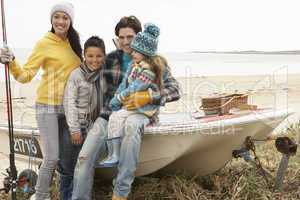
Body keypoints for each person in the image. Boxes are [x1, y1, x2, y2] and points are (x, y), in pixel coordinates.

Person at [72, 16, 180, 200]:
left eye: (130, 37)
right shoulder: (110, 59)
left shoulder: (155, 61)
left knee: (131, 127)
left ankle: (120, 193)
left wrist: (148, 96)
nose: (125, 42)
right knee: (83, 159)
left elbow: (175, 89)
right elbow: (85, 77)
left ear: (139, 37)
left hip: (140, 113)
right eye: (121, 37)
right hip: (108, 115)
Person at [0, 2, 82, 199]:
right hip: (47, 107)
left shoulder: (74, 43)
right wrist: (11, 61)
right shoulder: (44, 42)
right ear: (51, 19)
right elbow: (25, 76)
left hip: (69, 109)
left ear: (71, 21)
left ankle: (65, 193)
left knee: (66, 158)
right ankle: (40, 195)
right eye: (57, 17)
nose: (60, 21)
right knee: (52, 156)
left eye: (65, 17)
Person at [100, 23, 164, 167]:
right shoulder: (134, 66)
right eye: (121, 38)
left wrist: (121, 97)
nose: (132, 53)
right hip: (130, 104)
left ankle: (117, 156)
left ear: (145, 53)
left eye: (136, 51)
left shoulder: (148, 71)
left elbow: (135, 87)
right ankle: (113, 153)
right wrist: (116, 97)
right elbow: (125, 84)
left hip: (141, 108)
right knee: (115, 118)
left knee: (122, 120)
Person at [62, 36, 109, 200]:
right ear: (84, 55)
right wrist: (74, 129)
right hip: (78, 126)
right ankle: (67, 196)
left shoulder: (105, 74)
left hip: (96, 126)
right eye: (90, 56)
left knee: (86, 164)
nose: (94, 60)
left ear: (104, 56)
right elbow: (69, 103)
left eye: (98, 56)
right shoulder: (76, 75)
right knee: (72, 165)